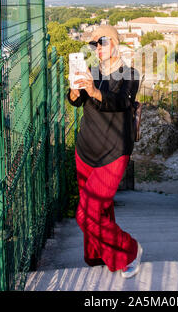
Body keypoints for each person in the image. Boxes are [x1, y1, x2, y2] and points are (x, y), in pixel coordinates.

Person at [67, 24, 143, 278]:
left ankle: (128, 251)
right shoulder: (92, 72)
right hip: (85, 151)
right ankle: (97, 253)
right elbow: (76, 101)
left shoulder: (130, 75)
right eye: (94, 44)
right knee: (100, 209)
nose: (97, 48)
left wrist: (94, 91)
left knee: (85, 214)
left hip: (113, 153)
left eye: (102, 42)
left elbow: (120, 102)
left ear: (115, 43)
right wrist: (75, 91)